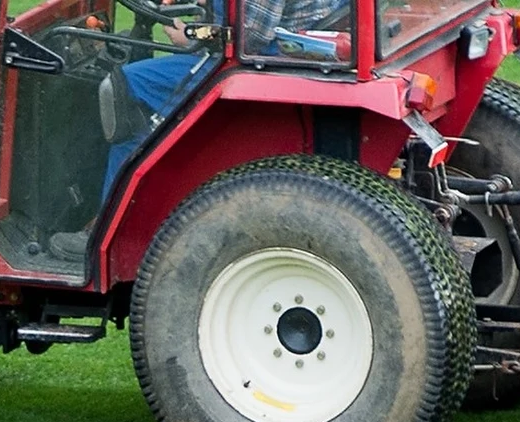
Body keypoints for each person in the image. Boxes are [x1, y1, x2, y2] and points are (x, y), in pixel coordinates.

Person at [48, 0, 350, 261]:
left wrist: (191, 35)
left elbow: (250, 35)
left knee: (126, 89)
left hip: (262, 61)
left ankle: (111, 231)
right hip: (283, 53)